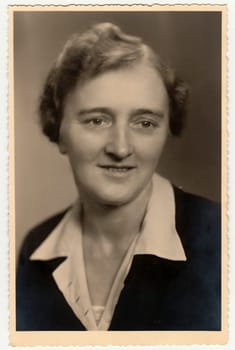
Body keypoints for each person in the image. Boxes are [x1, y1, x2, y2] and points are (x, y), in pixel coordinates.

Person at [16, 22, 221, 331]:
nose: (121, 147)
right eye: (97, 120)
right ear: (58, 130)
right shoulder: (36, 249)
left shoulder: (221, 237)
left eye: (145, 123)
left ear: (168, 129)